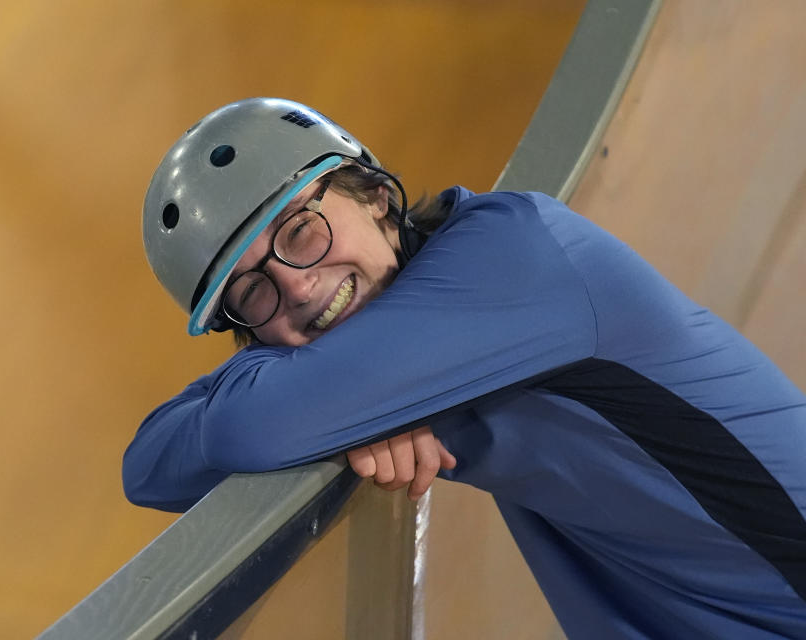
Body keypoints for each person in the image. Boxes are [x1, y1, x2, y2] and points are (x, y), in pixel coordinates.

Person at [124, 98, 806, 638]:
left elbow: (257, 426)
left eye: (302, 231)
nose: (298, 288)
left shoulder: (515, 259)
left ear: (375, 196)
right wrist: (340, 403)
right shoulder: (400, 355)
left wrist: (323, 404)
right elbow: (148, 462)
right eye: (253, 292)